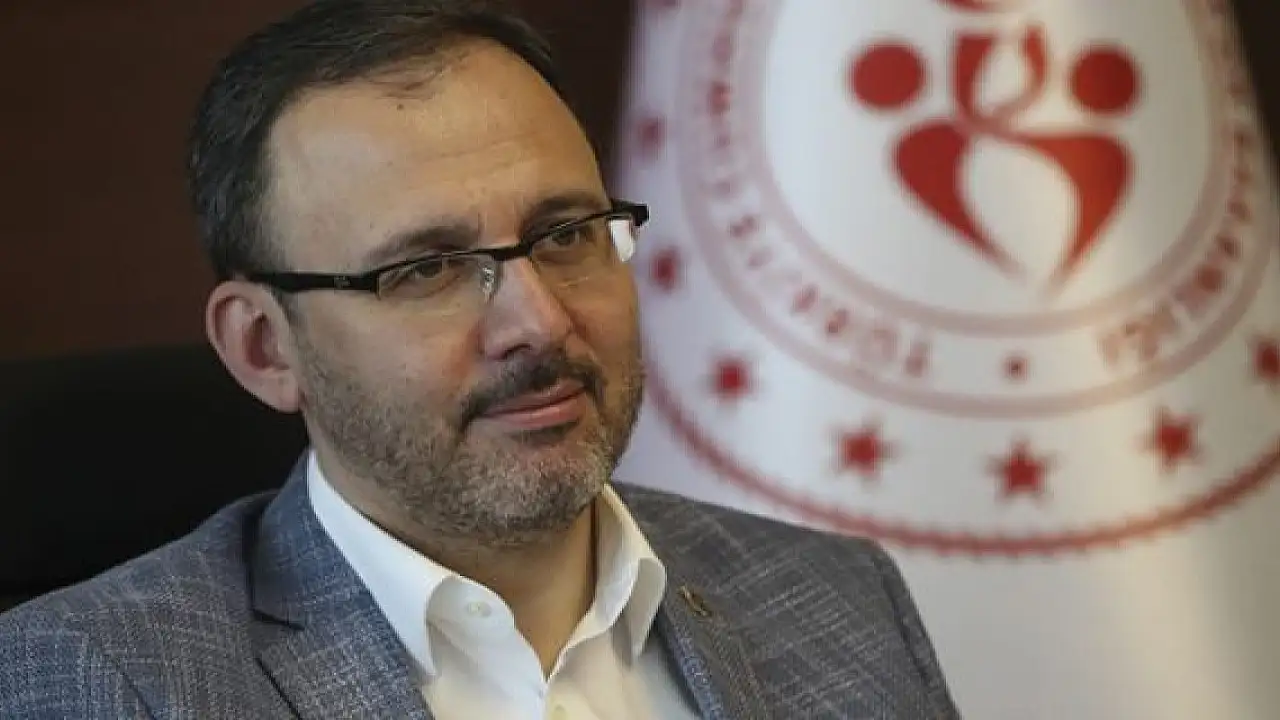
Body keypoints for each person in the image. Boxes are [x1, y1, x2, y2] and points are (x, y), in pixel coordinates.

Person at [0, 1, 960, 717]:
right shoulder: (98, 681)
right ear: (264, 348)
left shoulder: (834, 594)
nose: (539, 322)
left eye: (566, 234)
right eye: (428, 268)